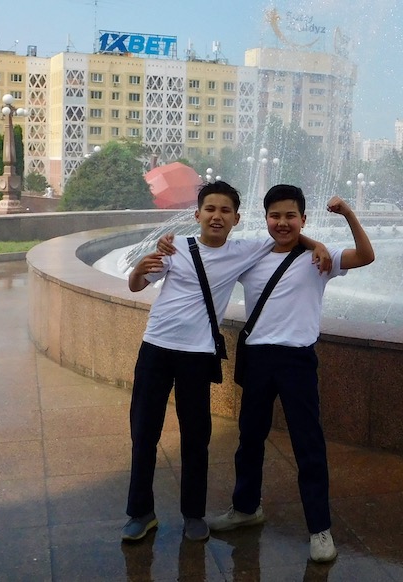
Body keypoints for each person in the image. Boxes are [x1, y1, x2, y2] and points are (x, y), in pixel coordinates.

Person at [122, 180, 328, 543]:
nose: (217, 216)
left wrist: (319, 244)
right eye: (210, 209)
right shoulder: (175, 250)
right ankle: (141, 512)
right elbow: (136, 285)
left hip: (198, 356)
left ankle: (193, 514)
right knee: (143, 433)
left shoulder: (244, 250)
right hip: (156, 348)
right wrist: (139, 268)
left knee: (196, 437)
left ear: (236, 218)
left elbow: (287, 235)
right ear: (198, 214)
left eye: (225, 211)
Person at [204, 184, 374, 563]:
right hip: (259, 358)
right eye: (275, 216)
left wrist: (346, 213)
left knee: (308, 445)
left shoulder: (321, 260)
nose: (282, 223)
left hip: (297, 361)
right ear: (265, 219)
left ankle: (320, 528)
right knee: (249, 438)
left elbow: (366, 255)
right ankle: (246, 508)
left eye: (290, 216)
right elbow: (211, 248)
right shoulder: (254, 255)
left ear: (303, 219)